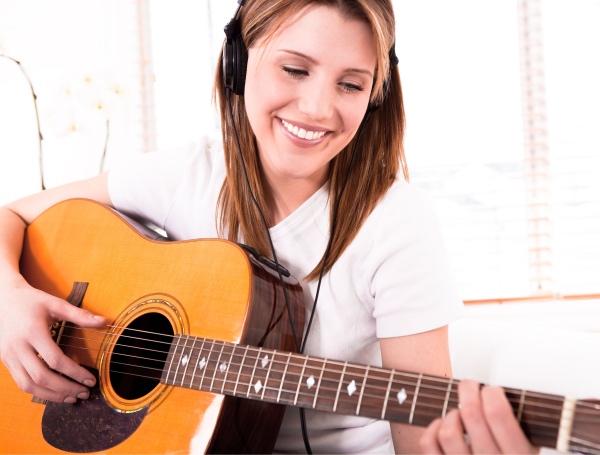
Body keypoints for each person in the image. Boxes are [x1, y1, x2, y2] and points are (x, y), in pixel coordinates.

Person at [0, 0, 539, 453]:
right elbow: (12, 214)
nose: (318, 107)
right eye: (295, 69)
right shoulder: (188, 175)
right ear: (239, 62)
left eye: (351, 85)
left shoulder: (396, 222)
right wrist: (9, 298)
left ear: (375, 97)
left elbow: (423, 432)